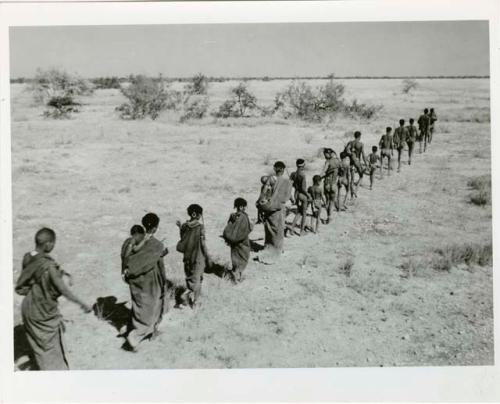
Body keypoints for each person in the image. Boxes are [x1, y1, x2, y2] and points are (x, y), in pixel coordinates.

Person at [15, 228, 92, 370]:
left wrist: (61, 272)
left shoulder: (28, 257)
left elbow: (28, 279)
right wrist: (82, 304)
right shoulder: (49, 266)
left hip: (28, 308)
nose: (53, 246)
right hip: (42, 312)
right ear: (48, 244)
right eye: (53, 243)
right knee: (50, 349)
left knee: (40, 347)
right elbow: (63, 290)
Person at [125, 213, 167, 351]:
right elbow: (160, 266)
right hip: (151, 281)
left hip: (136, 282)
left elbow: (127, 257)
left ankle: (145, 331)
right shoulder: (157, 245)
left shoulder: (134, 240)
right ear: (155, 228)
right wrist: (164, 281)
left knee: (139, 306)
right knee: (154, 306)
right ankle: (138, 335)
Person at [255, 161, 292, 263]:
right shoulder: (287, 182)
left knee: (269, 229)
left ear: (274, 168)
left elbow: (263, 195)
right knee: (278, 230)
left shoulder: (269, 179)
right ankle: (277, 250)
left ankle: (268, 247)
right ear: (283, 170)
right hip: (279, 209)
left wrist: (260, 207)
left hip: (268, 208)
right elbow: (287, 197)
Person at [176, 204, 212, 307]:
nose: (201, 216)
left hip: (187, 257)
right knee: (198, 279)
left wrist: (179, 227)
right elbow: (203, 244)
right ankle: (192, 299)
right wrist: (208, 256)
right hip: (198, 258)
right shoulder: (200, 227)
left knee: (190, 277)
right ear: (195, 214)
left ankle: (189, 301)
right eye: (200, 214)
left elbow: (183, 239)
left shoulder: (184, 226)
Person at [222, 198, 254, 283]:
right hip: (243, 243)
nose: (245, 208)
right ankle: (237, 278)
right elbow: (246, 229)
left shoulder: (233, 216)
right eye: (244, 207)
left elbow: (231, 227)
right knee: (243, 258)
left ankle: (235, 274)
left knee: (235, 258)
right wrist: (252, 226)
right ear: (240, 207)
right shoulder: (243, 217)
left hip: (234, 244)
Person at [289, 158, 309, 236]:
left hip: (296, 194)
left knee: (299, 212)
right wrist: (308, 195)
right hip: (302, 195)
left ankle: (292, 228)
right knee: (304, 213)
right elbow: (303, 189)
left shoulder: (293, 174)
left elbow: (291, 185)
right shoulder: (303, 175)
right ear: (303, 166)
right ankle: (301, 231)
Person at [320, 148, 340, 224]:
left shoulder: (328, 162)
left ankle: (328, 216)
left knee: (327, 201)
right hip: (334, 184)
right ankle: (330, 217)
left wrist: (319, 178)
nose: (325, 156)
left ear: (328, 154)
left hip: (327, 184)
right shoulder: (337, 161)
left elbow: (323, 172)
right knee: (332, 201)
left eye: (325, 155)